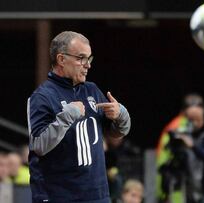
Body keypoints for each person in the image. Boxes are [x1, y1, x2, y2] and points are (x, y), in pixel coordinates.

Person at [26, 31, 131, 203]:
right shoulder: (42, 96)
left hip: (97, 195)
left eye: (89, 59)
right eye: (81, 58)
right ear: (61, 59)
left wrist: (121, 116)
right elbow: (39, 145)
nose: (87, 65)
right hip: (58, 196)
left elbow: (115, 136)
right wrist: (68, 115)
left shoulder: (92, 90)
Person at [156, 93, 204, 202]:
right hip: (175, 179)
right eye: (199, 108)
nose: (202, 112)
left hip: (181, 179)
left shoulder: (188, 123)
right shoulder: (179, 126)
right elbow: (166, 155)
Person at [175, 102, 204, 203]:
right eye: (191, 119)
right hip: (194, 190)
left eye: (197, 119)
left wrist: (193, 146)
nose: (194, 123)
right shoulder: (191, 134)